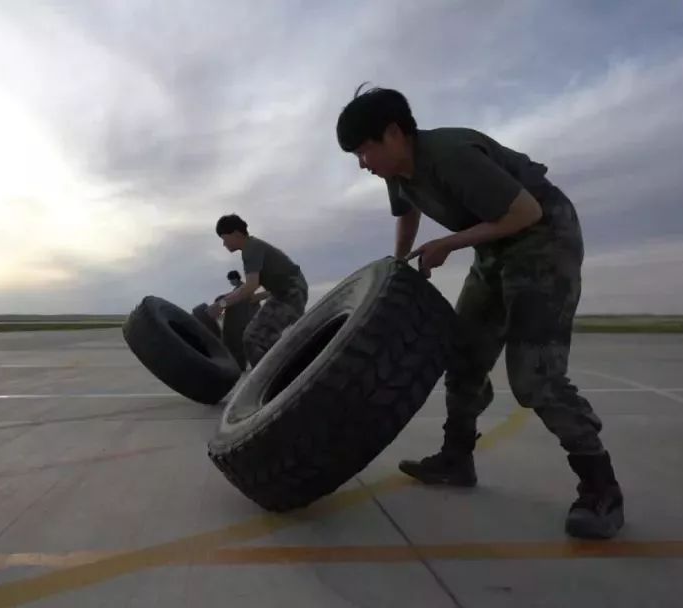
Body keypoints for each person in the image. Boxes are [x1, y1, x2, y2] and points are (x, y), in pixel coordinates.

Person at [335, 84, 624, 540]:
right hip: (494, 246)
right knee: (463, 357)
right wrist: (398, 265)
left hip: (542, 239)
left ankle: (601, 487)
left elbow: (526, 211)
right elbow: (406, 213)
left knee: (534, 377)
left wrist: (449, 243)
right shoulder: (398, 174)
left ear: (393, 134)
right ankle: (456, 458)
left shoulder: (450, 154)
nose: (362, 164)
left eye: (363, 151)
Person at [209, 214, 308, 367]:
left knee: (253, 339)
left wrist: (221, 305)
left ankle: (275, 382)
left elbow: (250, 287)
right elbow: (250, 288)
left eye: (224, 238)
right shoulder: (251, 248)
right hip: (285, 293)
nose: (223, 244)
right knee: (265, 339)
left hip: (290, 294)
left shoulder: (251, 248)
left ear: (236, 234)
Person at [215, 270, 261, 370]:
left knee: (240, 345)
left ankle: (248, 365)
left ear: (235, 279)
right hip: (248, 322)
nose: (230, 282)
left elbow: (228, 302)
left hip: (244, 323)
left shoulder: (241, 290)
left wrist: (220, 303)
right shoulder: (243, 288)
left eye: (230, 280)